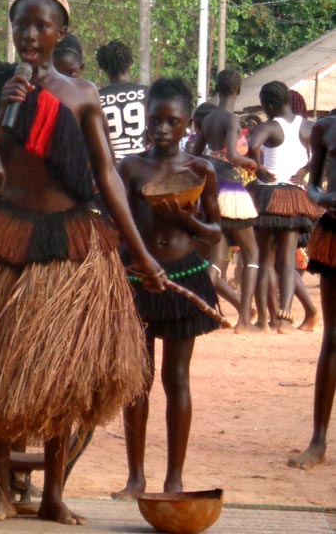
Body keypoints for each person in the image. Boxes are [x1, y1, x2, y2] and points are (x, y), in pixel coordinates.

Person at [0, 0, 163, 524]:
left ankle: (55, 493)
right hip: (7, 236)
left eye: (42, 26)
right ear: (12, 30)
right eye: (22, 24)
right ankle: (2, 490)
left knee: (61, 375)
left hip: (69, 241)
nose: (31, 35)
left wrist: (141, 252)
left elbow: (106, 175)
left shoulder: (82, 94)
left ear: (60, 33)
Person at [113, 77, 222, 499]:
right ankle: (135, 477)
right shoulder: (130, 167)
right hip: (136, 278)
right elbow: (117, 222)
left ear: (187, 124)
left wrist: (188, 221)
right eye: (154, 119)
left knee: (176, 378)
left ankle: (174, 478)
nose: (160, 129)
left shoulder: (200, 170)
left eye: (171, 121)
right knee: (137, 380)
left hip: (182, 277)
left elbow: (215, 231)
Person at [247, 81, 321, 333]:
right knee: (288, 260)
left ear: (267, 105)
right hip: (295, 197)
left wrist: (259, 167)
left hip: (268, 195)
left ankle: (265, 320)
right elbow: (323, 150)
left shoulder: (270, 126)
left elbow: (253, 145)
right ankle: (285, 318)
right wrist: (306, 169)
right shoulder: (307, 126)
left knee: (264, 259)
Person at [189, 70, 260, 333]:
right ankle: (243, 321)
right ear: (238, 91)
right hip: (231, 187)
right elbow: (232, 153)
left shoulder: (207, 120)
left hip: (209, 189)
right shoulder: (232, 118)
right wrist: (251, 163)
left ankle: (201, 309)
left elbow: (194, 154)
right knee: (251, 252)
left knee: (217, 256)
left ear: (217, 90)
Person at [289, 115, 336, 469]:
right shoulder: (326, 128)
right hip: (334, 235)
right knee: (332, 339)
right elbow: (312, 188)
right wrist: (327, 197)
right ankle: (318, 441)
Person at [96, 40, 149, 161]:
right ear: (129, 64)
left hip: (112, 169)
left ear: (104, 67)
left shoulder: (96, 97)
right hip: (141, 165)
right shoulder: (147, 93)